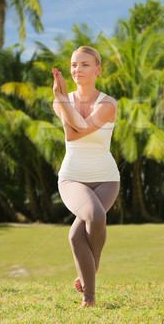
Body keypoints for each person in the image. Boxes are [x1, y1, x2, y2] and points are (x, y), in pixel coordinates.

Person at [52, 46, 120, 309]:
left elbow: (80, 127)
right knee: (96, 215)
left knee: (75, 237)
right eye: (73, 65)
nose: (77, 70)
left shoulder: (108, 104)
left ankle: (88, 299)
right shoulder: (61, 99)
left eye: (84, 65)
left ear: (98, 70)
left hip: (107, 179)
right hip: (72, 179)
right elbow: (71, 136)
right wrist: (62, 99)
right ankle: (96, 263)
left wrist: (63, 101)